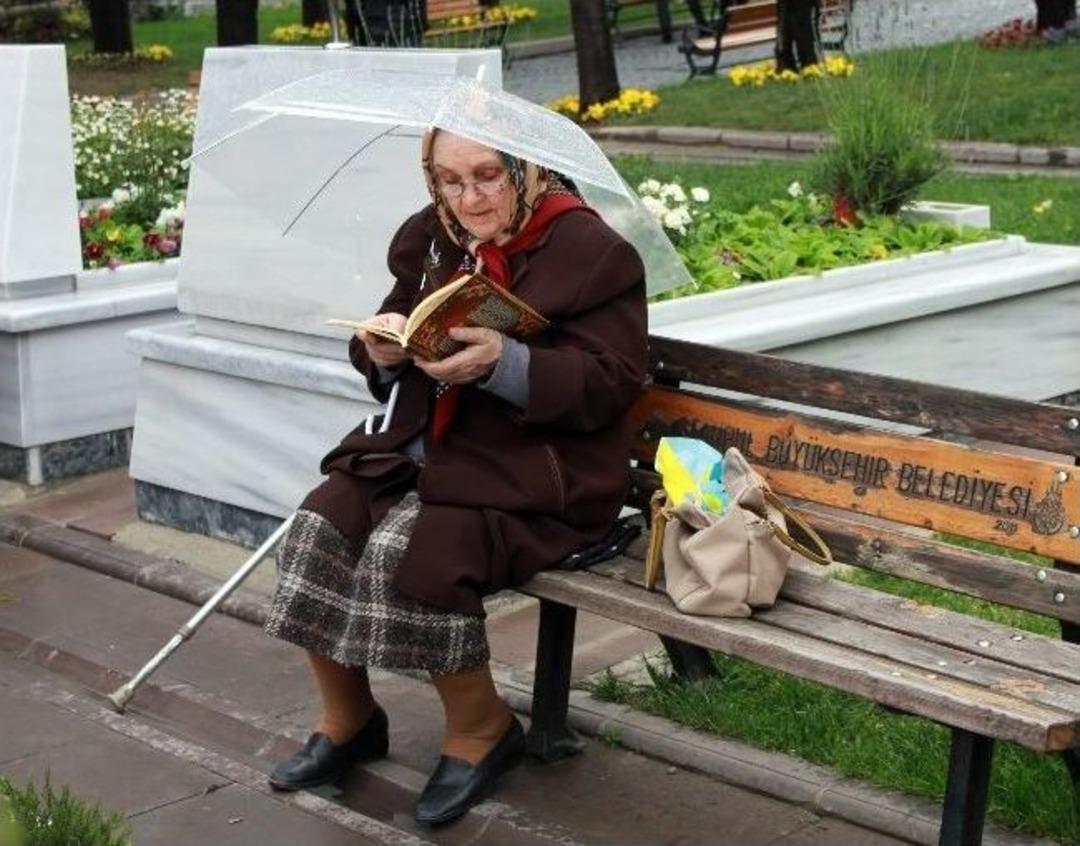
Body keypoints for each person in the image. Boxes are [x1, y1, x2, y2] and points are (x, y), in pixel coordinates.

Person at [263, 127, 649, 825]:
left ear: (526, 168)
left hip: (541, 471)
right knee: (319, 526)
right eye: (449, 178)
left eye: (488, 176)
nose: (467, 197)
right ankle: (348, 720)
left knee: (413, 553)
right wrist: (382, 350)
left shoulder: (591, 252)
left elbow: (611, 382)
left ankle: (483, 731)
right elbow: (396, 342)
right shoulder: (432, 237)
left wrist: (504, 363)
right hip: (428, 450)